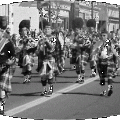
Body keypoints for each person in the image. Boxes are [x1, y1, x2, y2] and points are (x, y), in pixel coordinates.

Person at [93, 30, 118, 96]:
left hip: (108, 61)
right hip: (100, 61)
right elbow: (93, 52)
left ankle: (110, 89)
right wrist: (95, 52)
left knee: (109, 75)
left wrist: (117, 59)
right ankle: (103, 91)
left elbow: (114, 52)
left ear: (107, 36)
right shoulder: (98, 43)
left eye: (104, 35)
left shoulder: (110, 43)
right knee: (102, 77)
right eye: (101, 35)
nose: (102, 37)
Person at [0, 16, 15, 115]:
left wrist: (11, 61)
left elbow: (13, 54)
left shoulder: (8, 38)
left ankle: (1, 107)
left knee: (1, 87)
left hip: (3, 66)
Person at [37, 24, 58, 96]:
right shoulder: (41, 38)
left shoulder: (53, 38)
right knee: (43, 75)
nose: (47, 30)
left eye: (48, 29)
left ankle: (50, 89)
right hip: (43, 59)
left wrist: (46, 41)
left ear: (51, 30)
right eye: (45, 29)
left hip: (50, 58)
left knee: (50, 74)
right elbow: (38, 48)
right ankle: (44, 90)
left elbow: (52, 48)